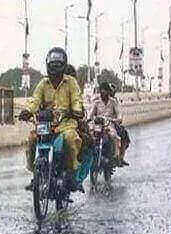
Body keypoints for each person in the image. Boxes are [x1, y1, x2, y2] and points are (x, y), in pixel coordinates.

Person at [20, 47, 84, 192]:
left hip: (66, 124)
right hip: (45, 125)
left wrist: (76, 110)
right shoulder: (43, 83)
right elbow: (35, 100)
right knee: (32, 139)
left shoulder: (71, 83)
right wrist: (28, 111)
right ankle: (35, 175)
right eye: (52, 64)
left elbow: (76, 99)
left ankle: (72, 173)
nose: (54, 68)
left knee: (70, 139)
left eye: (58, 64)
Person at [87, 81, 129, 167]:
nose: (103, 92)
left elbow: (119, 113)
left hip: (109, 125)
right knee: (89, 137)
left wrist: (118, 119)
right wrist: (88, 119)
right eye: (102, 90)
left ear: (108, 92)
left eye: (105, 90)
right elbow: (90, 114)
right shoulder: (96, 102)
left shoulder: (113, 102)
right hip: (97, 126)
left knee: (114, 137)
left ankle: (116, 157)